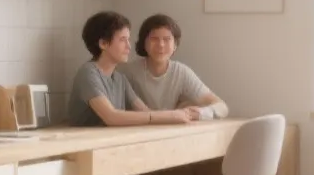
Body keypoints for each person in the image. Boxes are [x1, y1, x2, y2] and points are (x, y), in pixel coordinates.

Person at [68, 10, 199, 128]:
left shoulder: (119, 79)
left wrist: (179, 114)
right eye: (122, 40)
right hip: (81, 142)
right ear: (103, 43)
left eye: (128, 39)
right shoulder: (88, 73)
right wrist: (169, 116)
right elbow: (111, 117)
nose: (129, 46)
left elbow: (145, 112)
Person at [129, 14, 228, 120]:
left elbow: (222, 107)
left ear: (175, 45)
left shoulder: (181, 72)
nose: (161, 44)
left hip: (171, 127)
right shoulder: (128, 71)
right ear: (144, 43)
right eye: (154, 39)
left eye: (167, 39)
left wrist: (200, 113)